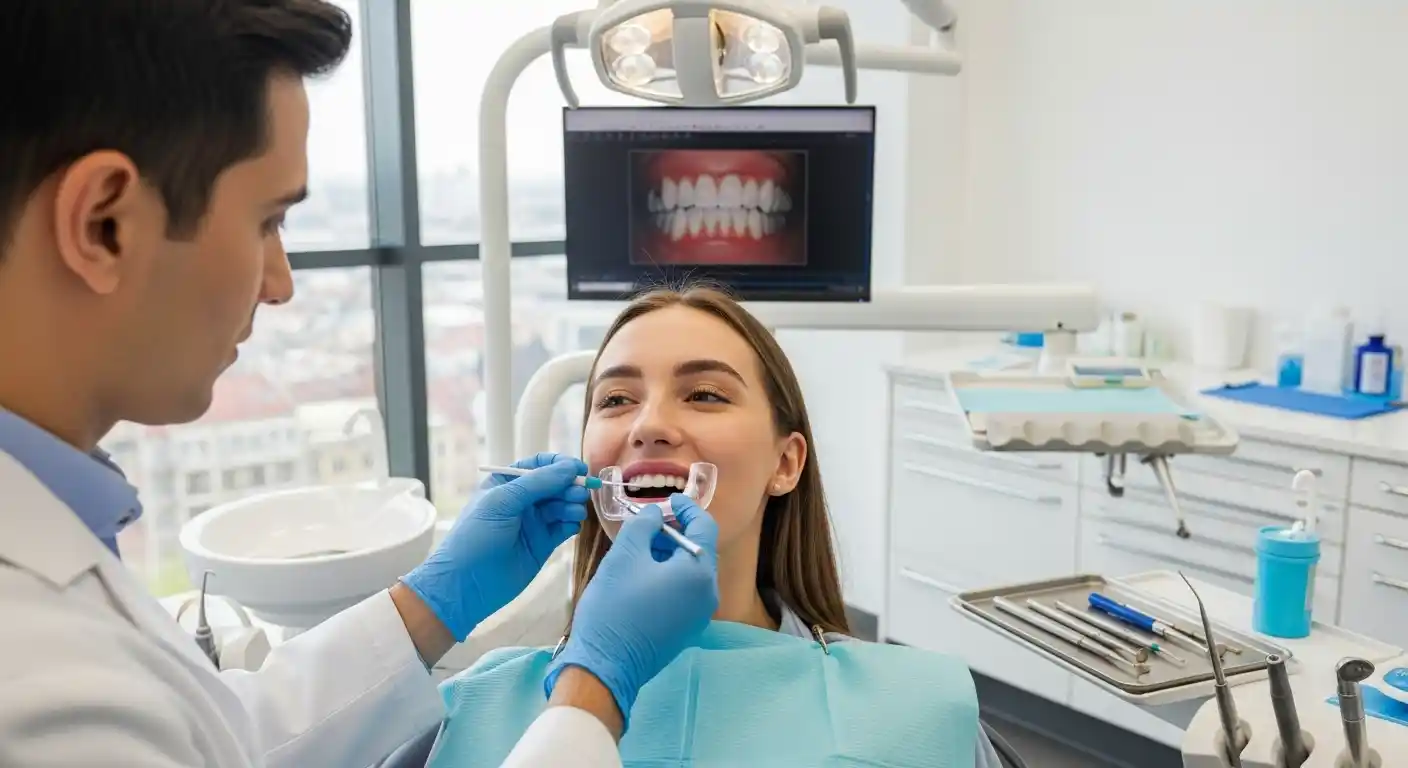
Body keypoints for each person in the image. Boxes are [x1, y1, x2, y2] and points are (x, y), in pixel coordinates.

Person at [0, 2, 716, 767]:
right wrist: (592, 694)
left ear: (790, 460)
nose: (280, 285)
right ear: (103, 222)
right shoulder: (38, 689)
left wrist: (428, 607)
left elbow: (220, 740)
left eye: (706, 393)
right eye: (267, 221)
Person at [425, 285, 1005, 766]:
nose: (649, 426)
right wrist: (426, 605)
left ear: (786, 464)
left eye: (703, 394)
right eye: (616, 400)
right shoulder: (474, 705)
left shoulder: (924, 706)